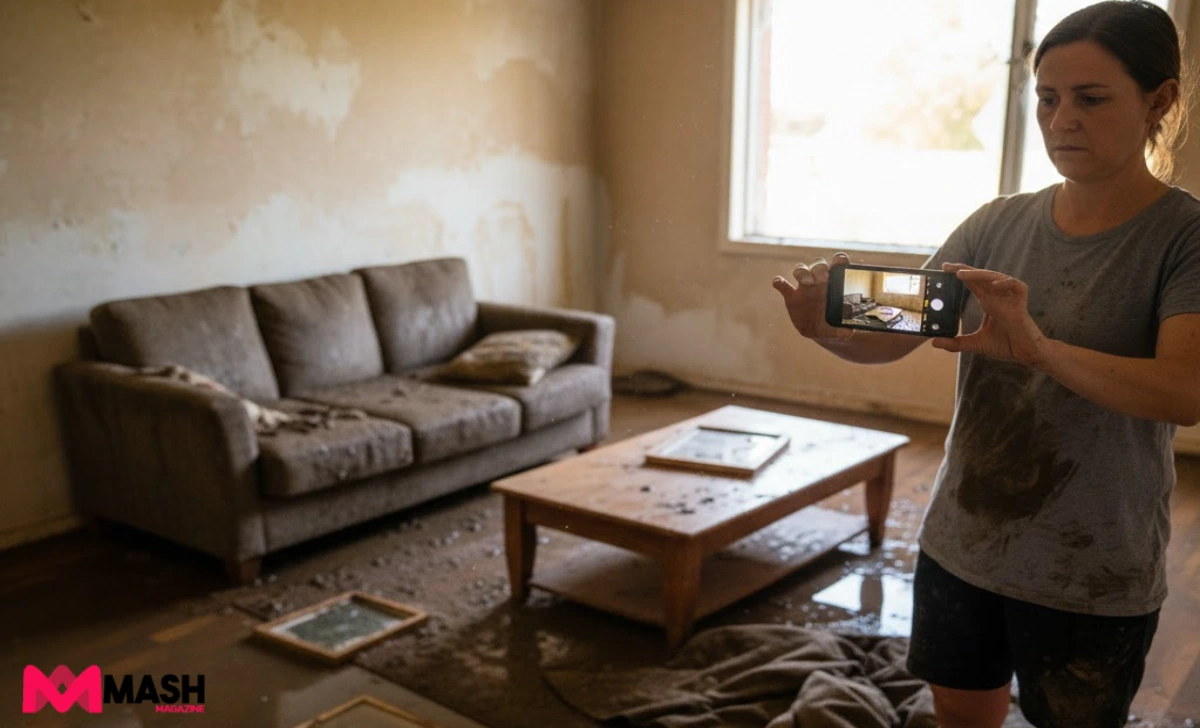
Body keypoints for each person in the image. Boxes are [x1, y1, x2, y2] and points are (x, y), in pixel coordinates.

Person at [771, 2, 1197, 726]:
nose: (1062, 121)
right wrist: (826, 329)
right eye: (1048, 98)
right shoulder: (996, 221)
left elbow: (1184, 391)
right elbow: (893, 335)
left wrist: (1040, 350)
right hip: (963, 542)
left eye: (1091, 99)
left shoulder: (1183, 236)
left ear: (1159, 101)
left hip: (1091, 568)